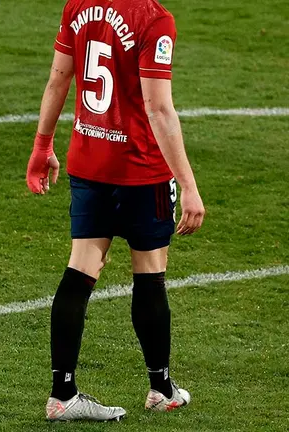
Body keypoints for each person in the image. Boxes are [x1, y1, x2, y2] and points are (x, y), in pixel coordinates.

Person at [26, 0, 206, 421]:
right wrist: (190, 185)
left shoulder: (80, 5)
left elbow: (59, 78)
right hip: (141, 169)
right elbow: (158, 108)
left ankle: (62, 395)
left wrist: (41, 146)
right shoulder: (154, 19)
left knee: (80, 270)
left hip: (90, 162)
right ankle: (161, 389)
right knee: (150, 271)